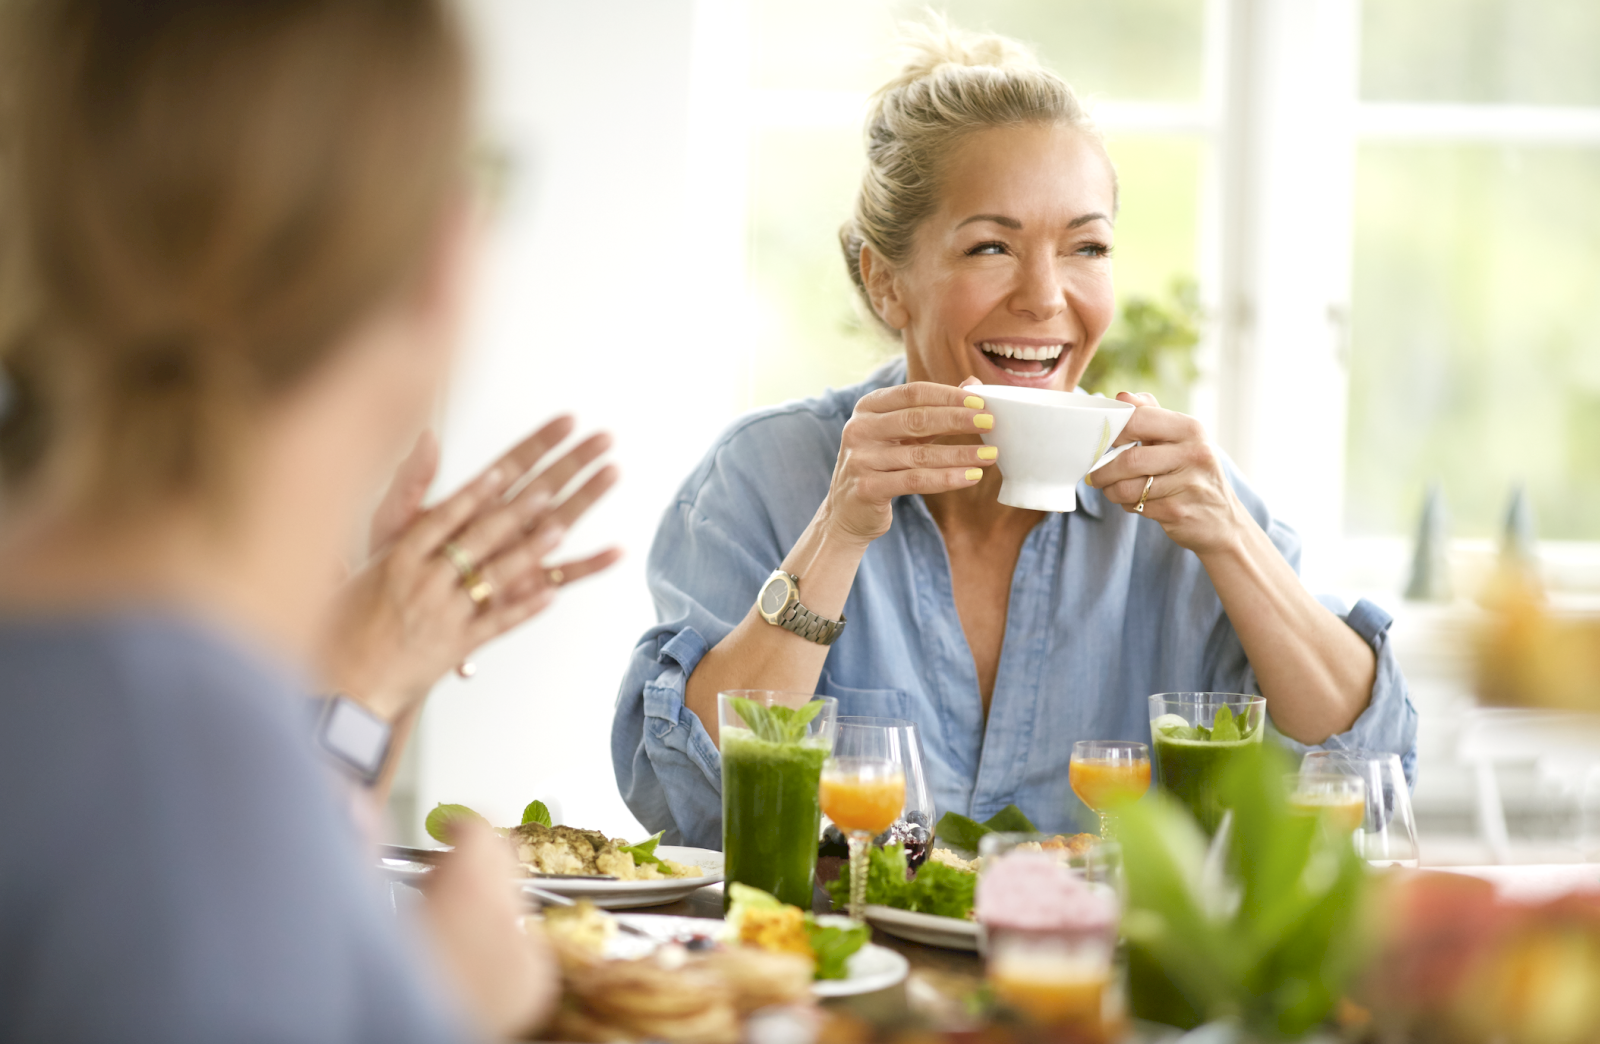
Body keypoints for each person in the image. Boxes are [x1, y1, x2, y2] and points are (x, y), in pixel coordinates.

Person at [612, 21, 1417, 848]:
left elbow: (1371, 776)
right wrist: (837, 535)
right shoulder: (764, 477)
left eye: (1087, 247)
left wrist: (1232, 539)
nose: (1044, 297)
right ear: (886, 283)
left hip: (1100, 977)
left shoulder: (1183, 502)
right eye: (992, 246)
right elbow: (693, 804)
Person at [0, 0, 584, 1039]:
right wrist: (451, 1012)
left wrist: (366, 678)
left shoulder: (130, 680)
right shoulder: (182, 760)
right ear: (445, 258)